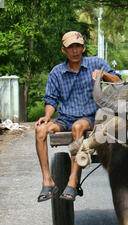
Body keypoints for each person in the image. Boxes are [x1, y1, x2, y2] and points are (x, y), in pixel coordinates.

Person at [35, 31, 121, 202]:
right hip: (65, 118)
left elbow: (118, 81)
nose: (74, 51)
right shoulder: (56, 73)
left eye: (77, 47)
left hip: (90, 117)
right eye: (70, 48)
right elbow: (51, 100)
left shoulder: (96, 63)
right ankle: (47, 180)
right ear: (64, 50)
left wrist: (103, 75)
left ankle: (73, 181)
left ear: (83, 48)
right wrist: (46, 116)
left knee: (78, 127)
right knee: (40, 130)